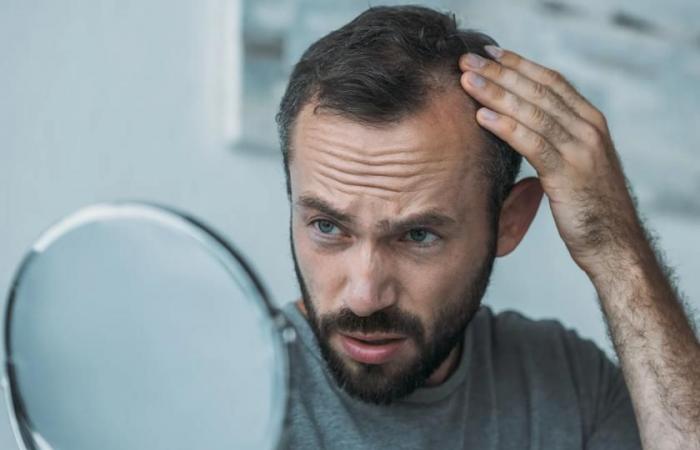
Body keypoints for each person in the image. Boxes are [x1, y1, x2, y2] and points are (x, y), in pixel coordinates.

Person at [274, 5, 700, 449]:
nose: (364, 297)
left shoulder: (571, 386)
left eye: (418, 235)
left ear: (509, 222)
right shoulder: (228, 386)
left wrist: (614, 247)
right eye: (327, 226)